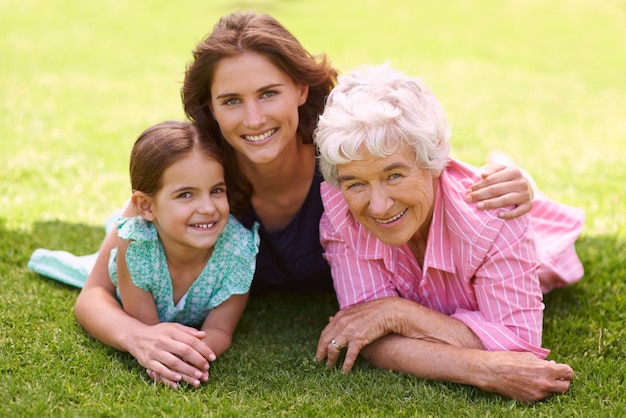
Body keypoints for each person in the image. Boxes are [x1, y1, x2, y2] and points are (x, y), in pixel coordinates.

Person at [74, 11, 535, 389]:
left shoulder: (345, 161)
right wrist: (139, 338)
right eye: (231, 100)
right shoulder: (199, 180)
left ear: (300, 89)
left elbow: (420, 168)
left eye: (269, 93)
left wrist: (519, 181)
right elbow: (94, 291)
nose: (254, 118)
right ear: (210, 109)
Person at [312, 64, 584, 402]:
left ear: (433, 158)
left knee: (544, 234)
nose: (378, 206)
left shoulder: (495, 218)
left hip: (534, 243)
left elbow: (516, 344)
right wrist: (485, 369)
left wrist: (397, 312)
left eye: (395, 175)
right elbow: (366, 332)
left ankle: (521, 178)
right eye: (356, 183)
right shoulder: (342, 211)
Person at [109, 120, 259, 387]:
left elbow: (220, 330)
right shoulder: (136, 247)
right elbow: (149, 331)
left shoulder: (238, 251)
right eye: (186, 194)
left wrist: (191, 356)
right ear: (146, 206)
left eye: (216, 191)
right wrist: (163, 357)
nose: (207, 208)